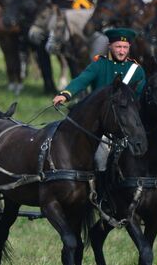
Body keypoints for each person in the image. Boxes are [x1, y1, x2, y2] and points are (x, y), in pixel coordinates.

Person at [52, 28, 146, 177]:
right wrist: (65, 94)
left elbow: (140, 100)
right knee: (101, 157)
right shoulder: (99, 65)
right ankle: (101, 193)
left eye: (125, 47)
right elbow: (82, 79)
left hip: (127, 125)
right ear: (110, 46)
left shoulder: (136, 71)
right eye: (118, 47)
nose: (122, 51)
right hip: (103, 125)